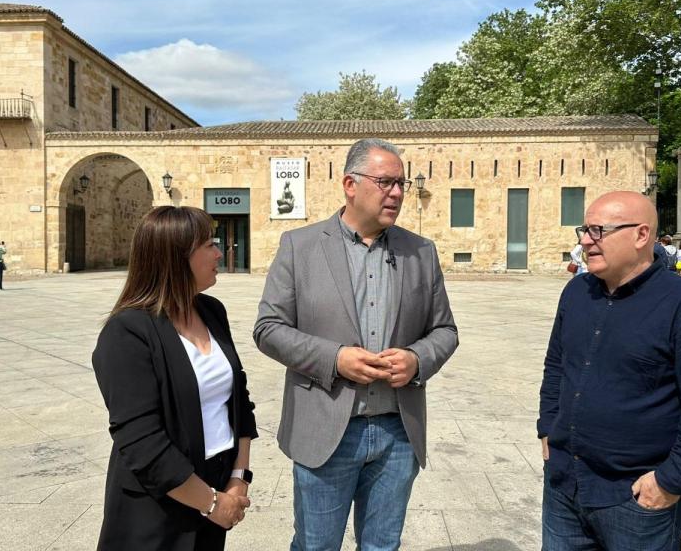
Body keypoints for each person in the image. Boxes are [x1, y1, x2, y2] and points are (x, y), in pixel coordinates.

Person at [254, 138, 459, 551]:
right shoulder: (300, 247)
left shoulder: (421, 251)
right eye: (386, 182)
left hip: (397, 432)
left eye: (401, 183)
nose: (398, 193)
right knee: (315, 545)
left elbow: (445, 331)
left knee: (383, 546)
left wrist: (417, 360)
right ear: (350, 184)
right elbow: (268, 328)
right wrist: (335, 358)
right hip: (326, 430)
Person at [538, 191, 681, 551]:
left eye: (598, 230)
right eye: (584, 229)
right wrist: (547, 427)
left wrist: (672, 481)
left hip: (635, 499)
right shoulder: (576, 293)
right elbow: (557, 366)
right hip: (565, 484)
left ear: (641, 235)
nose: (585, 240)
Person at [91, 206, 258, 551]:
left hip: (217, 489)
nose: (219, 253)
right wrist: (210, 503)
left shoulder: (212, 311)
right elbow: (141, 442)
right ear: (175, 257)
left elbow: (239, 400)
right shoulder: (127, 332)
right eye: (209, 245)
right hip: (159, 506)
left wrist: (238, 479)